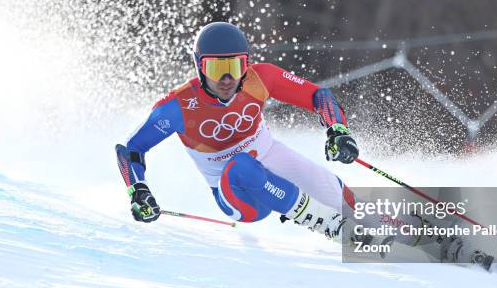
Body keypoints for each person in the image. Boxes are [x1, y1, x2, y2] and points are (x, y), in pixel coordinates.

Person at [116, 22, 359, 238]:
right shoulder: (178, 106)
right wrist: (137, 190)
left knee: (333, 188)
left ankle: (389, 229)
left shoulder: (261, 77)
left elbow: (318, 95)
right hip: (237, 194)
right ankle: (326, 223)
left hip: (272, 156)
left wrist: (337, 129)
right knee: (242, 165)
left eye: (236, 66)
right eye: (215, 69)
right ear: (199, 67)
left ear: (247, 64)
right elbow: (131, 148)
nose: (226, 78)